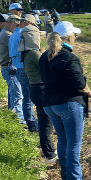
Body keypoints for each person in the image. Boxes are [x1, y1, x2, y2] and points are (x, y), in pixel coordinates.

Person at [40, 21, 91, 180]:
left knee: (62, 141)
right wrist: (87, 90)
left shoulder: (45, 56)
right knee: (74, 144)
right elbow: (78, 82)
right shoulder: (69, 57)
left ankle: (65, 178)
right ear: (69, 37)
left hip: (50, 104)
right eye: (75, 36)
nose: (76, 38)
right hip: (69, 104)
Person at [19, 19, 56, 164]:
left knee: (44, 119)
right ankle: (49, 154)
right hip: (40, 89)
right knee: (45, 121)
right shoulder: (34, 53)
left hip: (35, 88)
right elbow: (47, 66)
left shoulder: (26, 52)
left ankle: (49, 151)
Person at [9, 14, 38, 132]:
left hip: (17, 68)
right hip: (24, 69)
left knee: (26, 97)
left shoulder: (13, 35)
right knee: (28, 99)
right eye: (31, 24)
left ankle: (30, 121)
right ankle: (31, 123)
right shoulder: (22, 35)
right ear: (26, 22)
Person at [0, 15, 24, 120]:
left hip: (8, 67)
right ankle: (20, 120)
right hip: (9, 68)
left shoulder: (7, 33)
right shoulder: (7, 35)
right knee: (17, 96)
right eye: (15, 24)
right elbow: (19, 47)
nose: (17, 26)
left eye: (19, 24)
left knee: (13, 93)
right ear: (8, 23)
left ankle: (12, 114)